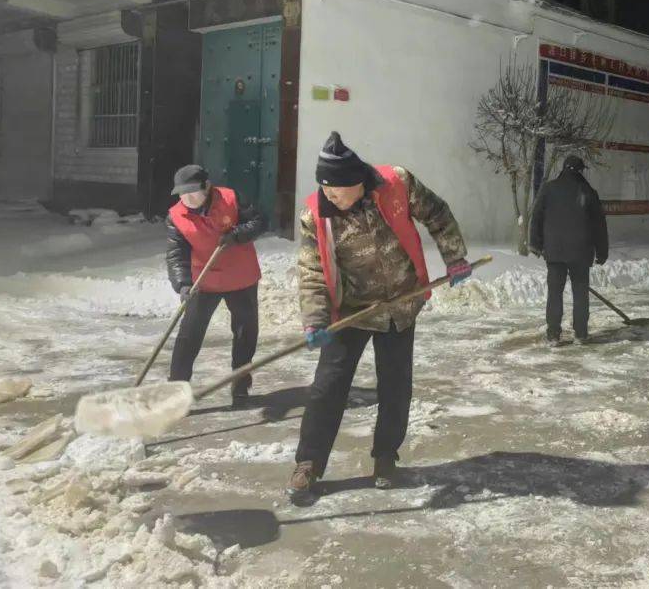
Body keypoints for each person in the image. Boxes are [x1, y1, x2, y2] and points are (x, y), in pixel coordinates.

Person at [288, 132, 472, 503]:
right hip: (352, 310)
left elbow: (437, 213)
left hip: (400, 304)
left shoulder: (397, 183)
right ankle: (308, 463)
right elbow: (312, 272)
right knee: (328, 387)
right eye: (323, 186)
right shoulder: (316, 215)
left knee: (396, 384)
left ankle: (385, 457)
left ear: (356, 182)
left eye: (336, 188)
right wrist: (315, 319)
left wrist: (455, 257)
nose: (329, 195)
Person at [165, 164, 266, 407]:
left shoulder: (231, 198)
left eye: (192, 192)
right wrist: (183, 285)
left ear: (207, 187)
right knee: (189, 335)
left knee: (245, 332)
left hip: (241, 277)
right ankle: (177, 391)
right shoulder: (176, 216)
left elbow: (259, 221)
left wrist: (237, 234)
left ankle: (240, 384)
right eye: (182, 193)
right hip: (204, 281)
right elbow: (176, 255)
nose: (187, 198)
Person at [529, 155, 609, 346]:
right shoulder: (588, 191)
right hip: (580, 253)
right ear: (580, 171)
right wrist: (602, 251)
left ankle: (553, 334)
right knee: (580, 293)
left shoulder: (549, 188)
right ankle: (581, 334)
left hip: (555, 251)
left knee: (555, 293)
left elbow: (537, 216)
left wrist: (536, 244)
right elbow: (599, 224)